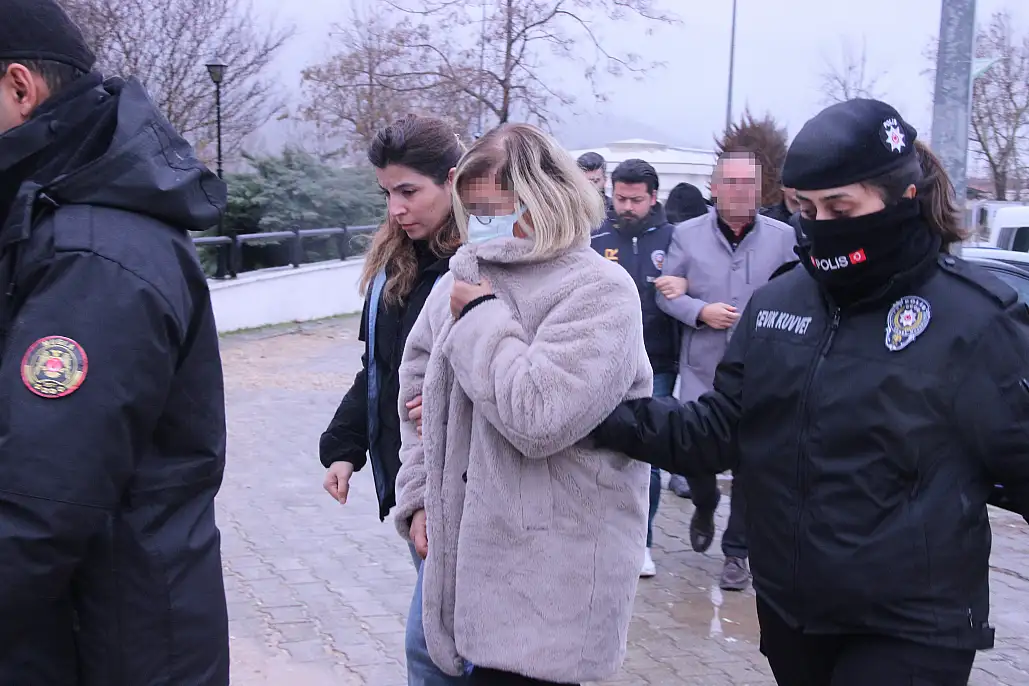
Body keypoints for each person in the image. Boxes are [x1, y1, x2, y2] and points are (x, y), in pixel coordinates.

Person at [591, 99, 1029, 686]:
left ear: (903, 197)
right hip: (793, 614)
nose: (821, 224)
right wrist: (594, 415)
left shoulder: (973, 320)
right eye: (806, 208)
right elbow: (719, 429)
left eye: (840, 208)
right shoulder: (778, 303)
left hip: (911, 626)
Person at [0, 2, 229, 683]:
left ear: (19, 88)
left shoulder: (94, 255)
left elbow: (40, 506)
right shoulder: (53, 217)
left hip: (108, 646)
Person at [394, 123, 652, 686]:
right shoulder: (463, 275)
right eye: (473, 211)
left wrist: (479, 318)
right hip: (459, 554)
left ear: (544, 198)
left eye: (494, 209)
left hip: (552, 570)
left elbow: (539, 416)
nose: (482, 226)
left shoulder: (599, 291)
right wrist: (417, 499)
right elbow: (415, 399)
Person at [318, 114, 466, 686]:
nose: (396, 209)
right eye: (387, 194)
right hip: (409, 481)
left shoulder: (484, 264)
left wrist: (456, 399)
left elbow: (518, 372)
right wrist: (344, 447)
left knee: (432, 650)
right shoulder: (393, 264)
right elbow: (379, 370)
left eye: (409, 191)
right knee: (447, 643)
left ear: (452, 180)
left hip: (465, 484)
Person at [653, 148, 796, 591]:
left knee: (752, 463)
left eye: (748, 183)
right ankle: (705, 501)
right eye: (731, 183)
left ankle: (737, 553)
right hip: (704, 368)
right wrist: (699, 311)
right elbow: (665, 294)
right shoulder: (687, 235)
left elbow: (800, 292)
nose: (740, 191)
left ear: (760, 190)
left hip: (763, 371)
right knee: (698, 455)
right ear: (714, 189)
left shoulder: (783, 238)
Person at [590, 158, 678, 577]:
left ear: (653, 198)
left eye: (635, 200)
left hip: (656, 360)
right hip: (602, 360)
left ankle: (642, 540)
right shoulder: (596, 237)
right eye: (620, 198)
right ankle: (599, 533)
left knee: (649, 454)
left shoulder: (674, 240)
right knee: (599, 449)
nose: (626, 207)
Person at [662, 180, 711, 500]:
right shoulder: (673, 237)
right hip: (668, 338)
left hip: (697, 336)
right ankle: (679, 471)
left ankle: (685, 472)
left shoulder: (703, 237)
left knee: (692, 409)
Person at [576, 150, 615, 218]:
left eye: (595, 181)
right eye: (586, 183)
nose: (592, 187)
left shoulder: (615, 209)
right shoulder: (570, 210)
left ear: (605, 180)